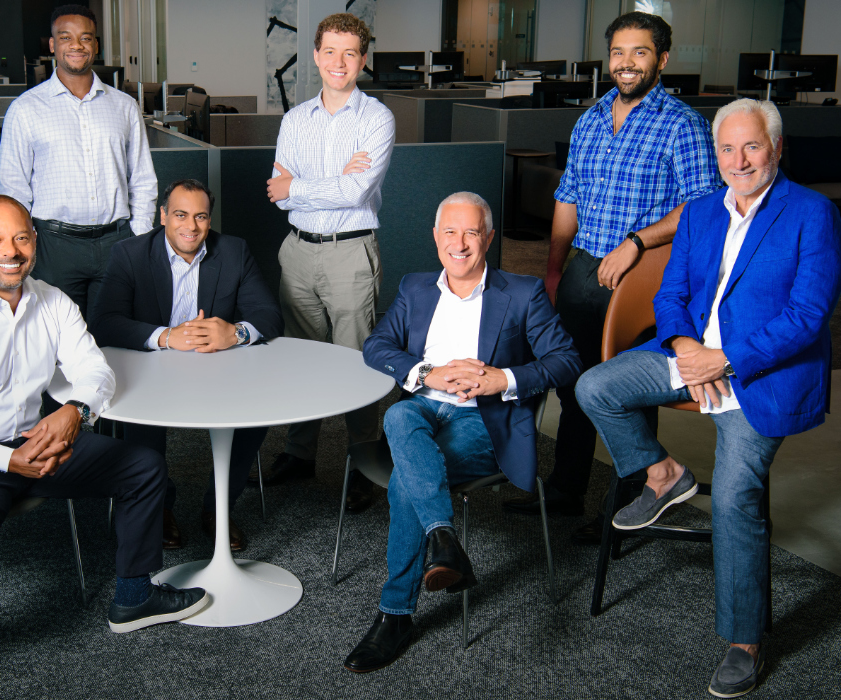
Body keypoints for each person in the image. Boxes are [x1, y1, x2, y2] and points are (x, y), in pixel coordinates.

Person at [576, 99, 841, 698]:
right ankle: (663, 473)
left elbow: (807, 316)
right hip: (692, 355)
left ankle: (743, 642)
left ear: (775, 147)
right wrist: (688, 350)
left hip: (760, 374)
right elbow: (670, 295)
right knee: (597, 386)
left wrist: (723, 359)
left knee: (733, 500)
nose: (739, 159)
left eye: (751, 146)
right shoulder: (699, 213)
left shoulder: (812, 214)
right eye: (727, 148)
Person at [0, 195, 210, 676]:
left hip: (35, 441)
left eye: (21, 238)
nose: (11, 250)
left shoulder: (52, 301)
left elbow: (95, 371)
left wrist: (74, 410)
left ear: (35, 243)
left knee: (143, 468)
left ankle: (133, 596)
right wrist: (9, 461)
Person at [507, 11, 723, 540]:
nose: (627, 63)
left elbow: (703, 208)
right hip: (584, 269)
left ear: (662, 59)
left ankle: (630, 509)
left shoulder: (681, 124)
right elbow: (568, 198)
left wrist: (636, 242)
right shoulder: (592, 117)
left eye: (640, 52)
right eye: (619, 53)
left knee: (625, 390)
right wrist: (554, 271)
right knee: (572, 382)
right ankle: (565, 492)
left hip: (644, 280)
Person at [343, 193, 581, 673]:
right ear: (435, 238)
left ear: (488, 238)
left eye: (471, 231)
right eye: (449, 231)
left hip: (485, 423)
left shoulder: (522, 292)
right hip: (424, 412)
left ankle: (395, 615)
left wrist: (504, 379)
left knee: (409, 479)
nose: (460, 242)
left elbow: (567, 361)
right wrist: (427, 373)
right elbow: (377, 346)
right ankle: (444, 538)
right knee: (399, 418)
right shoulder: (415, 288)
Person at [94, 179, 283, 552]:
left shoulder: (233, 251)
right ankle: (159, 505)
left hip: (216, 368)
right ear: (163, 215)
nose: (190, 227)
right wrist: (166, 337)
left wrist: (235, 332)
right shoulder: (129, 254)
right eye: (180, 215)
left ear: (209, 221)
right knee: (139, 420)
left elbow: (269, 314)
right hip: (150, 369)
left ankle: (218, 510)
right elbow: (104, 321)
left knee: (255, 417)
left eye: (200, 217)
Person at [259, 12, 397, 513]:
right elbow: (278, 195)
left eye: (350, 53)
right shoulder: (295, 120)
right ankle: (300, 452)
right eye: (330, 52)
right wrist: (324, 185)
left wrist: (301, 187)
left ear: (363, 59)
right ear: (316, 55)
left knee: (355, 360)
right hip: (296, 251)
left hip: (350, 253)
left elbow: (357, 191)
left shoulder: (376, 118)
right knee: (301, 358)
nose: (339, 62)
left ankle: (364, 463)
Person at [0, 3, 158, 326]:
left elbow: (142, 179)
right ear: (53, 45)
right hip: (55, 245)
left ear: (96, 45)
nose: (77, 45)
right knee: (56, 344)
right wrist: (22, 247)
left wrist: (138, 239)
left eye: (86, 38)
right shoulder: (26, 109)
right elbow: (13, 191)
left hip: (117, 242)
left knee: (115, 339)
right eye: (66, 37)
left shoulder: (124, 107)